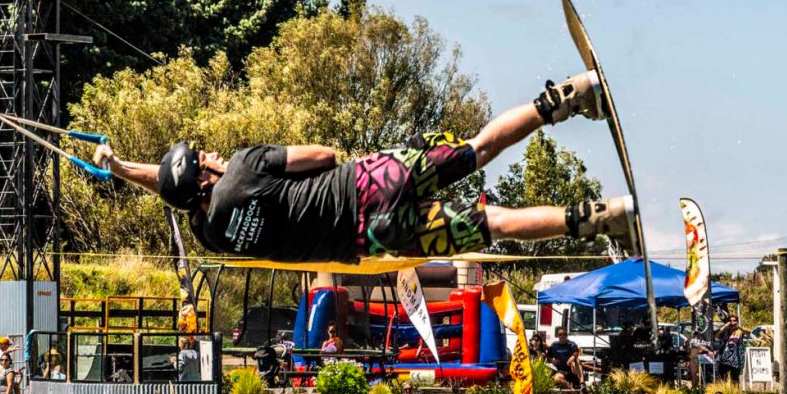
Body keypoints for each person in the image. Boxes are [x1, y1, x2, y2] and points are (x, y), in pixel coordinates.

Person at [88, 71, 632, 263]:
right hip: (372, 181)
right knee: (476, 150)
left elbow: (168, 188)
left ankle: (601, 217)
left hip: (373, 236)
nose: (209, 155)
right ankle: (567, 97)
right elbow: (324, 156)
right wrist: (232, 164)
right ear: (205, 177)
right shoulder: (244, 167)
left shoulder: (210, 235)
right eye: (203, 158)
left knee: (490, 225)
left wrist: (117, 166)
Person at [545, 324, 585, 391]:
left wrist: (572, 357)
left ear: (567, 335)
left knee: (577, 360)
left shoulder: (571, 344)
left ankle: (582, 383)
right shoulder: (554, 345)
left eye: (564, 334)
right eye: (560, 334)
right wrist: (552, 360)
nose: (562, 336)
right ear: (558, 336)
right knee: (557, 378)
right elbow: (548, 356)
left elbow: (576, 352)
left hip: (573, 370)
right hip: (561, 370)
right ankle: (571, 389)